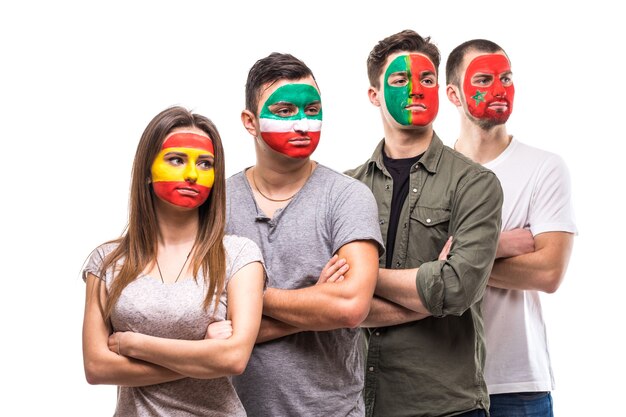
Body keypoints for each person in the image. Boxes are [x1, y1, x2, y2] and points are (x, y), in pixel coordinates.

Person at [345, 29, 503, 417]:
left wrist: (359, 277)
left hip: (447, 405)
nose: (416, 89)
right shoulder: (345, 189)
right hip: (358, 402)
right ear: (374, 95)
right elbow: (326, 301)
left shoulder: (475, 183)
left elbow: (456, 289)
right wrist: (426, 284)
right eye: (400, 80)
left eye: (427, 80)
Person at [227, 52, 384, 417]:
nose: (302, 124)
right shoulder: (217, 202)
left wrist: (244, 299)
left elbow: (349, 306)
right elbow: (202, 316)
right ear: (249, 122)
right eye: (284, 111)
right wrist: (315, 299)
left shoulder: (347, 196)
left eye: (312, 110)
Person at [81, 106, 265, 416]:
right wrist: (204, 355)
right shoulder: (107, 262)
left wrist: (135, 345)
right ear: (147, 172)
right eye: (176, 160)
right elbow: (97, 367)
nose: (192, 173)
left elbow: (233, 359)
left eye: (205, 164)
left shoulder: (238, 256)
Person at [445, 39, 576, 417]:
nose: (500, 90)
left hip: (519, 384)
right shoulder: (433, 171)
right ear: (453, 94)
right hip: (444, 381)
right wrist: (502, 244)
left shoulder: (545, 167)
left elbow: (549, 272)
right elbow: (414, 265)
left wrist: (455, 261)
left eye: (506, 78)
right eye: (484, 79)